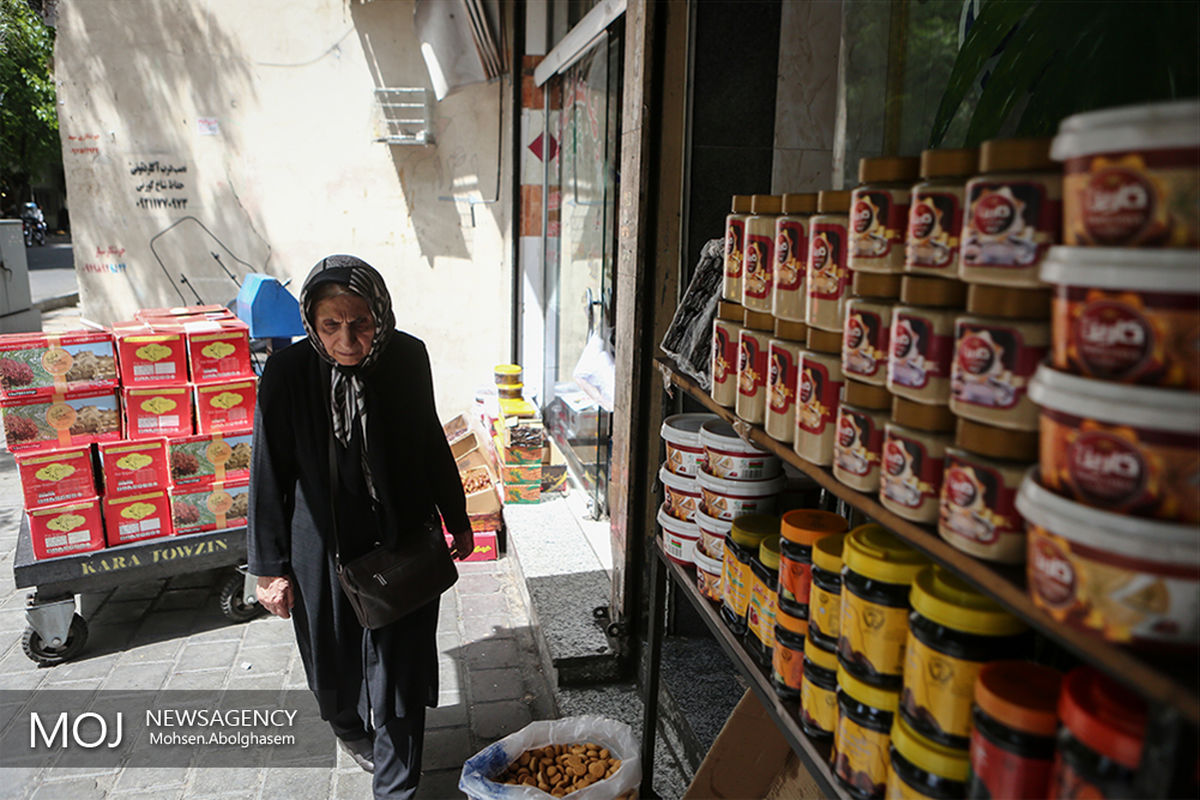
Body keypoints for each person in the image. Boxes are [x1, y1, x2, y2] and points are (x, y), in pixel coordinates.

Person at [248, 254, 474, 799]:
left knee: (398, 674)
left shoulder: (407, 358)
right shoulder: (287, 373)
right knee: (332, 669)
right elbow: (268, 470)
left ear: (382, 315)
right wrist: (268, 569)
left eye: (362, 323)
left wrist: (457, 515)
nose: (347, 338)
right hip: (319, 550)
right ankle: (349, 726)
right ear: (311, 322)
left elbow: (428, 439)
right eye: (331, 325)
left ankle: (396, 787)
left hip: (400, 541)